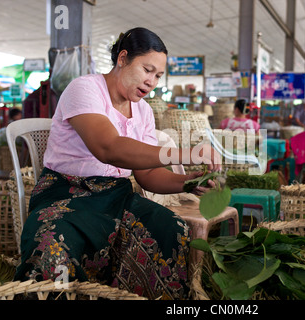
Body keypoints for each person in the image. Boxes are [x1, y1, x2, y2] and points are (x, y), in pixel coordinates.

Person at [14, 27, 221, 300]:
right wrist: (186, 154)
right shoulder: (85, 89)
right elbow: (108, 147)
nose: (152, 82)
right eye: (147, 70)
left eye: (158, 75)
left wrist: (188, 182)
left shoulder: (144, 111)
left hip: (116, 196)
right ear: (122, 58)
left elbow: (146, 175)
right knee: (53, 247)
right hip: (66, 195)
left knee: (172, 229)